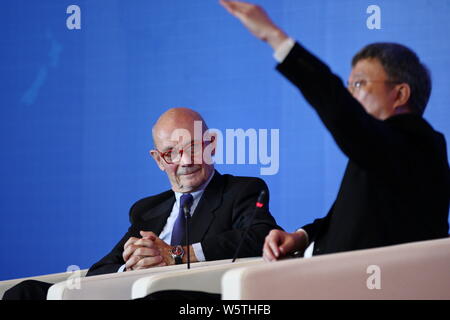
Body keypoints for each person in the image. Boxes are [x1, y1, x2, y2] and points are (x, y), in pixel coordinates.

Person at [219, 0, 449, 262]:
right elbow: (346, 217)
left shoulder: (417, 143)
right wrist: (301, 236)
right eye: (349, 86)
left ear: (400, 94)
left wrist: (275, 37)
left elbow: (341, 110)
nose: (351, 95)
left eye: (359, 84)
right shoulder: (385, 150)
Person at [3, 107, 281, 299]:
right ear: (159, 160)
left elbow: (258, 237)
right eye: (171, 153)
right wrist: (132, 266)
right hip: (127, 292)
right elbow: (100, 270)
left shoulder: (242, 190)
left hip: (187, 300)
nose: (186, 161)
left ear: (212, 144)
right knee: (24, 293)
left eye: (194, 147)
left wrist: (176, 254)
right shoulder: (146, 210)